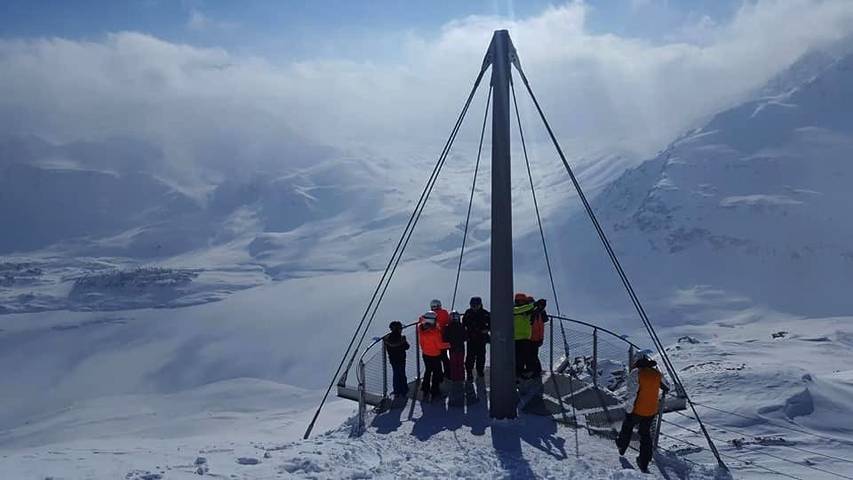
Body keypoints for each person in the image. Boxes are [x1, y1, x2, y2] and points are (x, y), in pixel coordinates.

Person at [616, 349, 670, 473]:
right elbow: (667, 386)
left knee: (627, 427)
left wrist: (629, 410)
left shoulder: (636, 373)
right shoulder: (656, 373)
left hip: (637, 409)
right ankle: (644, 461)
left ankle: (621, 446)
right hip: (651, 411)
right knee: (645, 434)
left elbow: (632, 394)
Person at [418, 311, 449, 401]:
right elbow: (440, 345)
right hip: (435, 355)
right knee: (436, 372)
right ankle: (435, 390)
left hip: (426, 354)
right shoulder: (435, 333)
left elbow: (421, 320)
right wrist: (450, 344)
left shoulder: (420, 329)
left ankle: (425, 388)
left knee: (428, 371)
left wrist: (423, 318)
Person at [462, 296, 490, 381]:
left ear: (480, 305)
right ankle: (469, 372)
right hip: (471, 338)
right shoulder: (468, 313)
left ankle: (480, 371)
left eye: (475, 305)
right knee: (470, 357)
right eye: (472, 306)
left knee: (481, 356)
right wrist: (465, 335)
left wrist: (486, 330)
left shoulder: (485, 313)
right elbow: (463, 325)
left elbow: (491, 324)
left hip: (481, 339)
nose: (474, 307)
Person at [444, 310, 467, 406]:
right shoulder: (461, 326)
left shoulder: (447, 327)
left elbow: (445, 338)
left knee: (453, 364)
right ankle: (461, 378)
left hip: (452, 348)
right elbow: (465, 337)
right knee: (460, 363)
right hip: (460, 348)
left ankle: (454, 378)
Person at [383, 321, 410, 399]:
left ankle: (397, 391)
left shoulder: (388, 339)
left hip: (393, 360)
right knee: (402, 374)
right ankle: (404, 390)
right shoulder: (401, 338)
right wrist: (404, 340)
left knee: (396, 374)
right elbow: (407, 347)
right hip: (401, 359)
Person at [512, 293, 536, 378]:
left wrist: (538, 306)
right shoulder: (514, 309)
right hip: (516, 338)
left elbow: (536, 310)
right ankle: (518, 375)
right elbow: (518, 310)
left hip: (525, 338)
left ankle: (524, 374)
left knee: (526, 357)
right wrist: (533, 305)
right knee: (519, 359)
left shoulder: (526, 310)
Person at [430, 299, 451, 378]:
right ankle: (448, 373)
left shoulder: (431, 315)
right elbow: (448, 322)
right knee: (444, 357)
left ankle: (439, 375)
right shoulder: (445, 313)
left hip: (434, 340)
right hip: (444, 339)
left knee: (436, 359)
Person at [528, 298, 549, 376]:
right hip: (537, 337)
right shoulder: (541, 313)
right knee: (533, 355)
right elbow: (545, 320)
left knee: (531, 355)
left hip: (531, 337)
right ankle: (536, 371)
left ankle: (534, 371)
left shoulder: (535, 312)